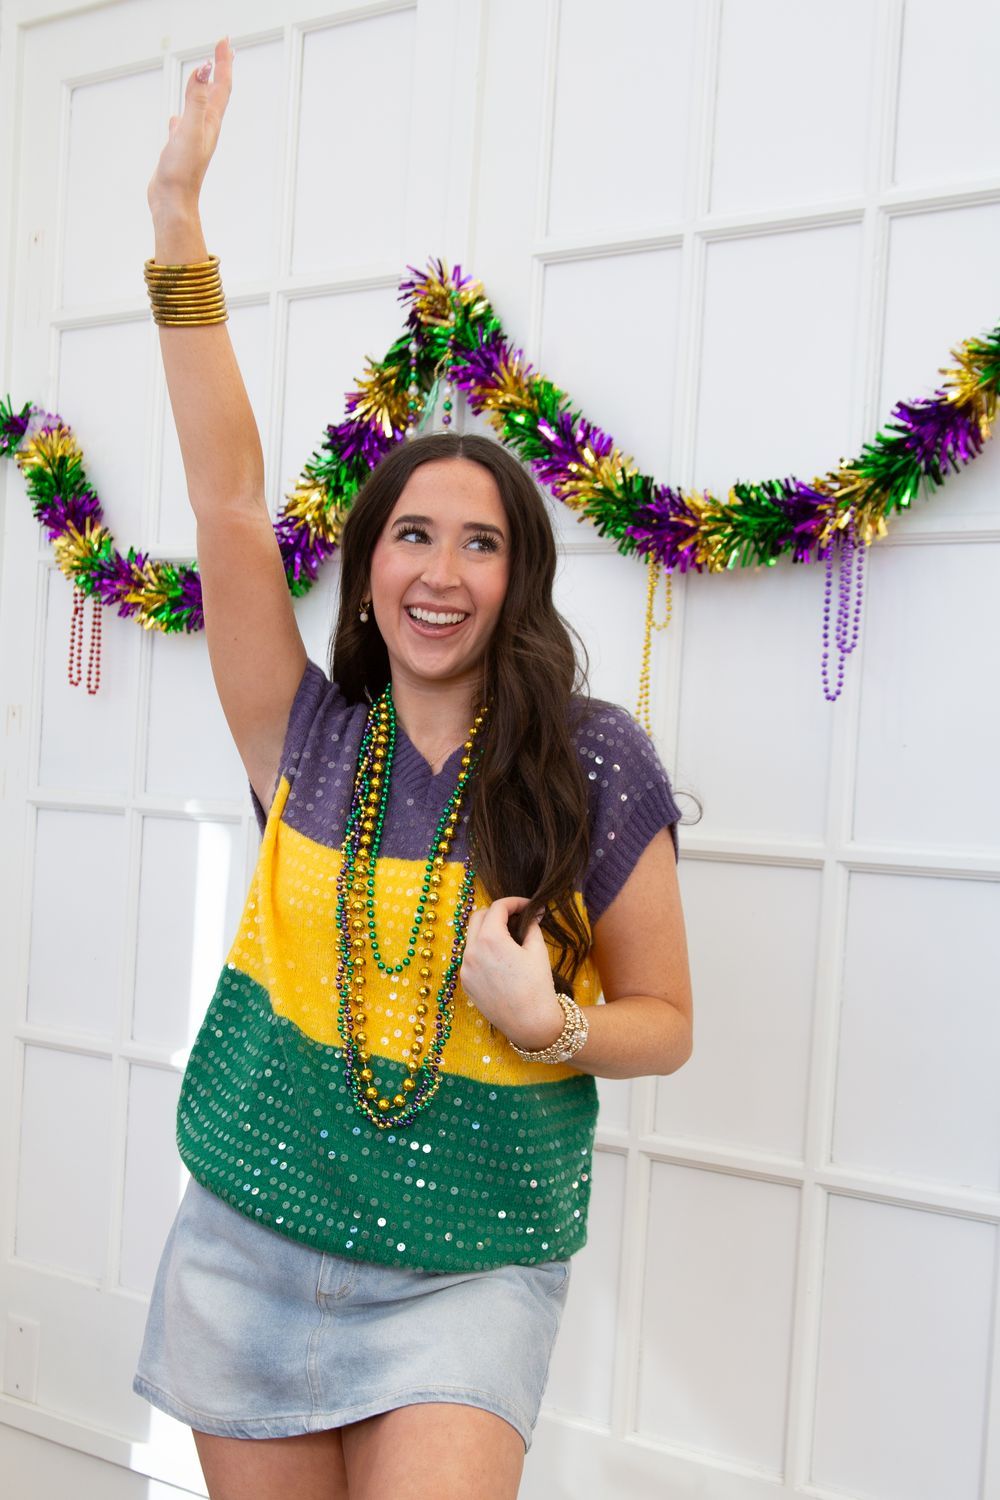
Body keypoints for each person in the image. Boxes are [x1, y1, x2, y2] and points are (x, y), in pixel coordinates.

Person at [133, 36, 693, 1500]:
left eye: (483, 540)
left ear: (520, 578)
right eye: (412, 535)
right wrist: (178, 226)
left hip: (470, 1269)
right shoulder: (307, 736)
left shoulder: (591, 762)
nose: (441, 572)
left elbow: (667, 1021)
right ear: (370, 568)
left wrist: (555, 1021)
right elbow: (231, 496)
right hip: (251, 1236)